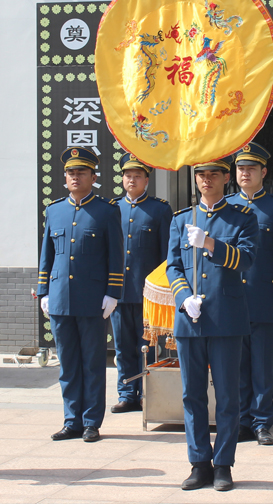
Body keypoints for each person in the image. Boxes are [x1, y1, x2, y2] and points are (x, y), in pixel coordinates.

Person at [167, 157, 258, 491]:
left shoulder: (242, 218)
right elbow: (173, 267)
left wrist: (209, 243)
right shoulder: (181, 219)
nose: (206, 180)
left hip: (226, 318)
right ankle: (198, 463)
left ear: (225, 178)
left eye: (213, 175)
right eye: (201, 175)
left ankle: (223, 464)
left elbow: (246, 259)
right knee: (192, 396)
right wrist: (182, 297)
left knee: (228, 396)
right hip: (190, 319)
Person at [37, 147, 124, 443]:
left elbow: (115, 256)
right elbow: (46, 255)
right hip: (60, 298)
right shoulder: (54, 210)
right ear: (65, 178)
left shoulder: (107, 211)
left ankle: (91, 422)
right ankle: (71, 419)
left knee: (92, 363)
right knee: (68, 364)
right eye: (71, 173)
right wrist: (44, 291)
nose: (75, 177)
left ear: (93, 177)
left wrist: (113, 292)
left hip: (92, 299)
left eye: (81, 173)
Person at [226, 143, 273, 446]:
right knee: (236, 364)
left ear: (264, 172)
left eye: (251, 168)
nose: (245, 173)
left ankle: (262, 421)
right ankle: (242, 420)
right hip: (231, 300)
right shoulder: (226, 206)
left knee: (263, 365)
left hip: (264, 297)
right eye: (241, 168)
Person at [109, 153, 172, 413]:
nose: (132, 180)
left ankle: (149, 393)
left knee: (147, 347)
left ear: (147, 180)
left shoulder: (160, 209)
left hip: (149, 295)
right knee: (123, 347)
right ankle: (127, 394)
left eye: (137, 176)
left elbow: (167, 255)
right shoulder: (112, 208)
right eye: (128, 175)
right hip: (120, 293)